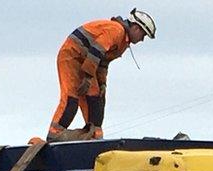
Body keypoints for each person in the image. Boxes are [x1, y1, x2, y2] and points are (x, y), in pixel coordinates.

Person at [46, 9, 156, 142]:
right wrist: (87, 77)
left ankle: (94, 138)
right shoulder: (116, 30)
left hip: (87, 61)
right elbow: (96, 51)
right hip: (72, 55)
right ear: (136, 28)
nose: (142, 40)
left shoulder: (123, 42)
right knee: (71, 98)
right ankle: (54, 135)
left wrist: (102, 83)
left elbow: (103, 63)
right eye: (143, 35)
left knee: (95, 99)